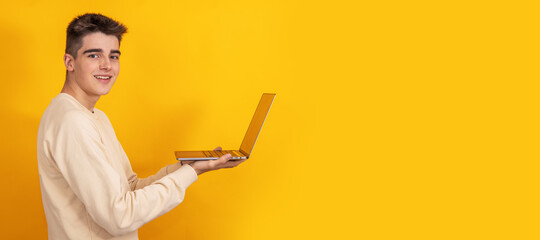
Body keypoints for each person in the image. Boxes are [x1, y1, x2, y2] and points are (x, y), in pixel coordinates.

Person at [37, 13, 245, 240]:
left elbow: (129, 188)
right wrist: (191, 172)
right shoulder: (71, 122)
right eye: (94, 55)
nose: (106, 65)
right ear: (70, 62)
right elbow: (119, 217)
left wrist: (187, 167)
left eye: (113, 56)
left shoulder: (94, 117)